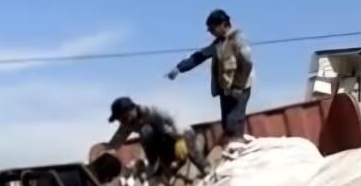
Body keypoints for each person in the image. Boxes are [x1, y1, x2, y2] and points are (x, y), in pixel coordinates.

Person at [165, 9, 254, 143]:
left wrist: (238, 86)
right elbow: (200, 56)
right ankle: (235, 148)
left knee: (233, 123)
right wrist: (179, 68)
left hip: (240, 89)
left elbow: (246, 63)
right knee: (227, 126)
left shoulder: (238, 38)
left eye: (213, 28)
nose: (211, 32)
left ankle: (240, 149)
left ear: (223, 24)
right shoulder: (218, 44)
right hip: (226, 91)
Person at [106, 96, 205, 177]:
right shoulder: (128, 124)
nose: (123, 122)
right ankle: (158, 169)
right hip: (165, 146)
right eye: (120, 120)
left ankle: (205, 168)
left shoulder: (150, 110)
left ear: (132, 110)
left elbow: (175, 119)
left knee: (146, 131)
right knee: (147, 136)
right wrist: (106, 151)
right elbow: (117, 140)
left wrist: (180, 139)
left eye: (123, 118)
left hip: (179, 136)